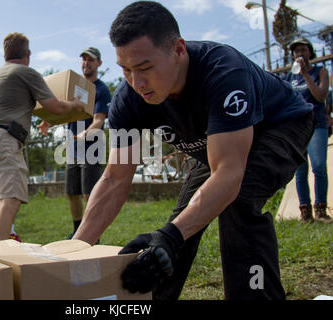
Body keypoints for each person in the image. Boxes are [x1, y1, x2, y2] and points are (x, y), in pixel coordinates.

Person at [73, 1, 315, 300]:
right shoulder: (128, 101)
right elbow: (114, 180)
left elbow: (229, 174)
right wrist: (75, 250)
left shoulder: (224, 73)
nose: (137, 83)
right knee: (183, 222)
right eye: (125, 70)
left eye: (145, 68)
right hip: (219, 145)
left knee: (237, 199)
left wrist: (171, 236)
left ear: (178, 49)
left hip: (279, 126)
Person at [0, 32, 84, 241]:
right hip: (1, 139)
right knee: (10, 201)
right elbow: (56, 107)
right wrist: (75, 105)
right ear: (28, 53)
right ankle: (2, 260)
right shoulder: (26, 72)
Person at [38, 47, 111, 239]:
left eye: (91, 60)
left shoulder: (100, 90)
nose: (86, 63)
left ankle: (92, 233)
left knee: (89, 194)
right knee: (72, 192)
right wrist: (47, 122)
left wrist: (86, 133)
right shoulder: (76, 89)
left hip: (91, 147)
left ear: (99, 64)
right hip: (72, 147)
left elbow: (99, 119)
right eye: (84, 59)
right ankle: (77, 230)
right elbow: (64, 111)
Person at [285, 38, 331, 223]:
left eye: (303, 50)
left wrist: (305, 75)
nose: (300, 54)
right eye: (296, 52)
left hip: (316, 124)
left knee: (319, 166)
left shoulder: (320, 71)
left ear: (310, 52)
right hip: (296, 128)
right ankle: (305, 213)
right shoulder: (289, 78)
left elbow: (320, 96)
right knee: (300, 170)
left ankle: (321, 209)